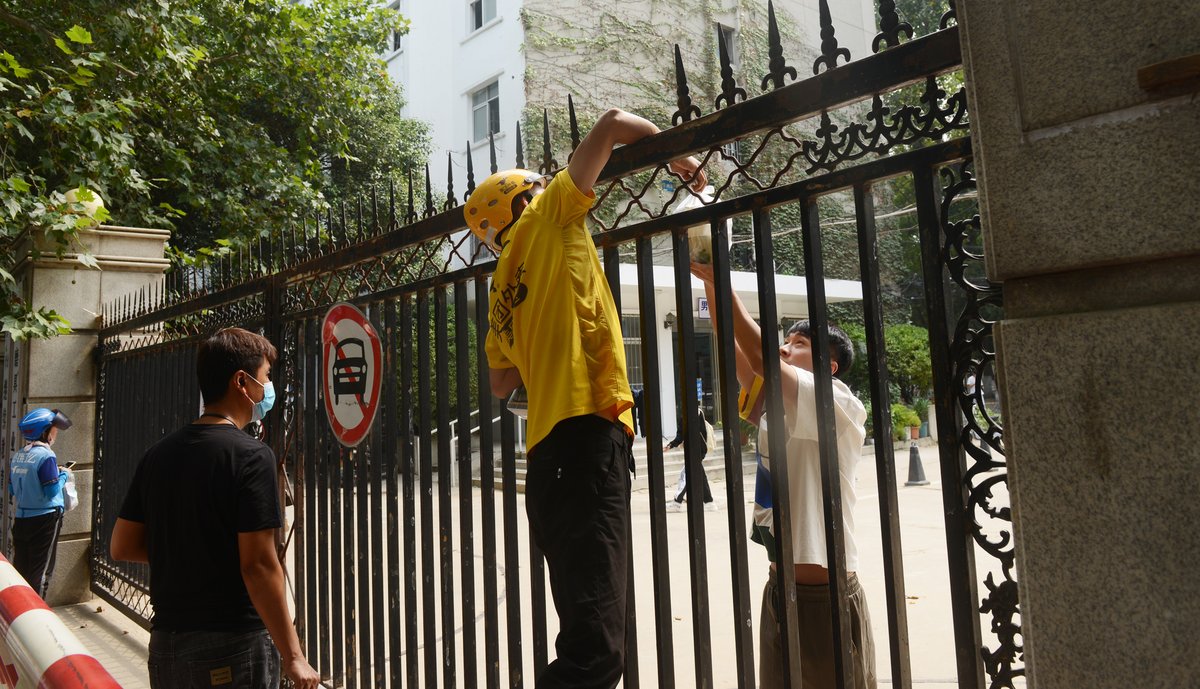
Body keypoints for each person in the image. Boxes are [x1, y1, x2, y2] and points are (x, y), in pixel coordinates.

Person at [464, 108, 705, 689]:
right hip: (583, 443)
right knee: (595, 653)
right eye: (540, 187)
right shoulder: (547, 218)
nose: (557, 189)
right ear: (524, 201)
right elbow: (612, 124)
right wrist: (680, 158)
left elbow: (501, 383)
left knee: (595, 628)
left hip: (552, 458)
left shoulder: (501, 282)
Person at [691, 263, 876, 689]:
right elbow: (739, 353)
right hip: (780, 589)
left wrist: (722, 281)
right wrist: (707, 280)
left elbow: (758, 356)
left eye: (800, 343)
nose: (786, 348)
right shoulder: (776, 406)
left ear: (829, 366)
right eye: (785, 340)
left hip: (825, 595)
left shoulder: (838, 403)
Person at [109, 327, 319, 689]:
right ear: (242, 382)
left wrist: (193, 554)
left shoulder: (157, 455)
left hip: (166, 646)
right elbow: (257, 564)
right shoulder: (252, 456)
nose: (269, 388)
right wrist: (294, 657)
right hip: (231, 646)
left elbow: (122, 546)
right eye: (266, 376)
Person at [9, 407, 73, 598]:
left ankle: (19, 612)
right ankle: (38, 616)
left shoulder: (19, 455)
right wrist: (63, 474)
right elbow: (51, 490)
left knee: (21, 569)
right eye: (54, 429)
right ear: (45, 432)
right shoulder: (47, 456)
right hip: (45, 520)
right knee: (41, 572)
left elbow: (12, 489)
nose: (56, 433)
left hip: (22, 518)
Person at [663, 407, 716, 511]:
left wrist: (671, 445)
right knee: (700, 475)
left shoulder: (693, 412)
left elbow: (686, 434)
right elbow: (681, 435)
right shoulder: (691, 412)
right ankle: (709, 502)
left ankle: (677, 502)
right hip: (697, 449)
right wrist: (670, 445)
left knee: (686, 474)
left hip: (696, 450)